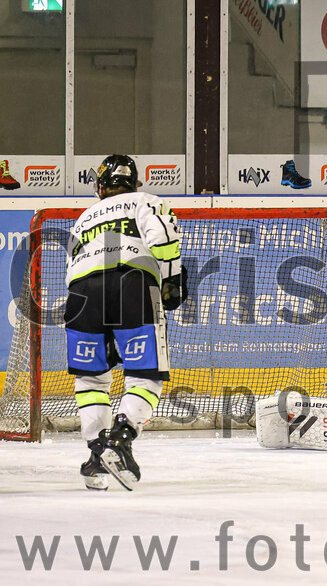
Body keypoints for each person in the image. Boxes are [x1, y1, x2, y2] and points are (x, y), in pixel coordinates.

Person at [65, 154, 187, 491]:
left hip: (81, 293)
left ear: (100, 186)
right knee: (147, 374)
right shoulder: (146, 200)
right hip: (132, 282)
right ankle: (120, 437)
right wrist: (172, 279)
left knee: (92, 379)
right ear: (134, 183)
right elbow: (162, 238)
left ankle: (96, 457)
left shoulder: (84, 216)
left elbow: (72, 262)